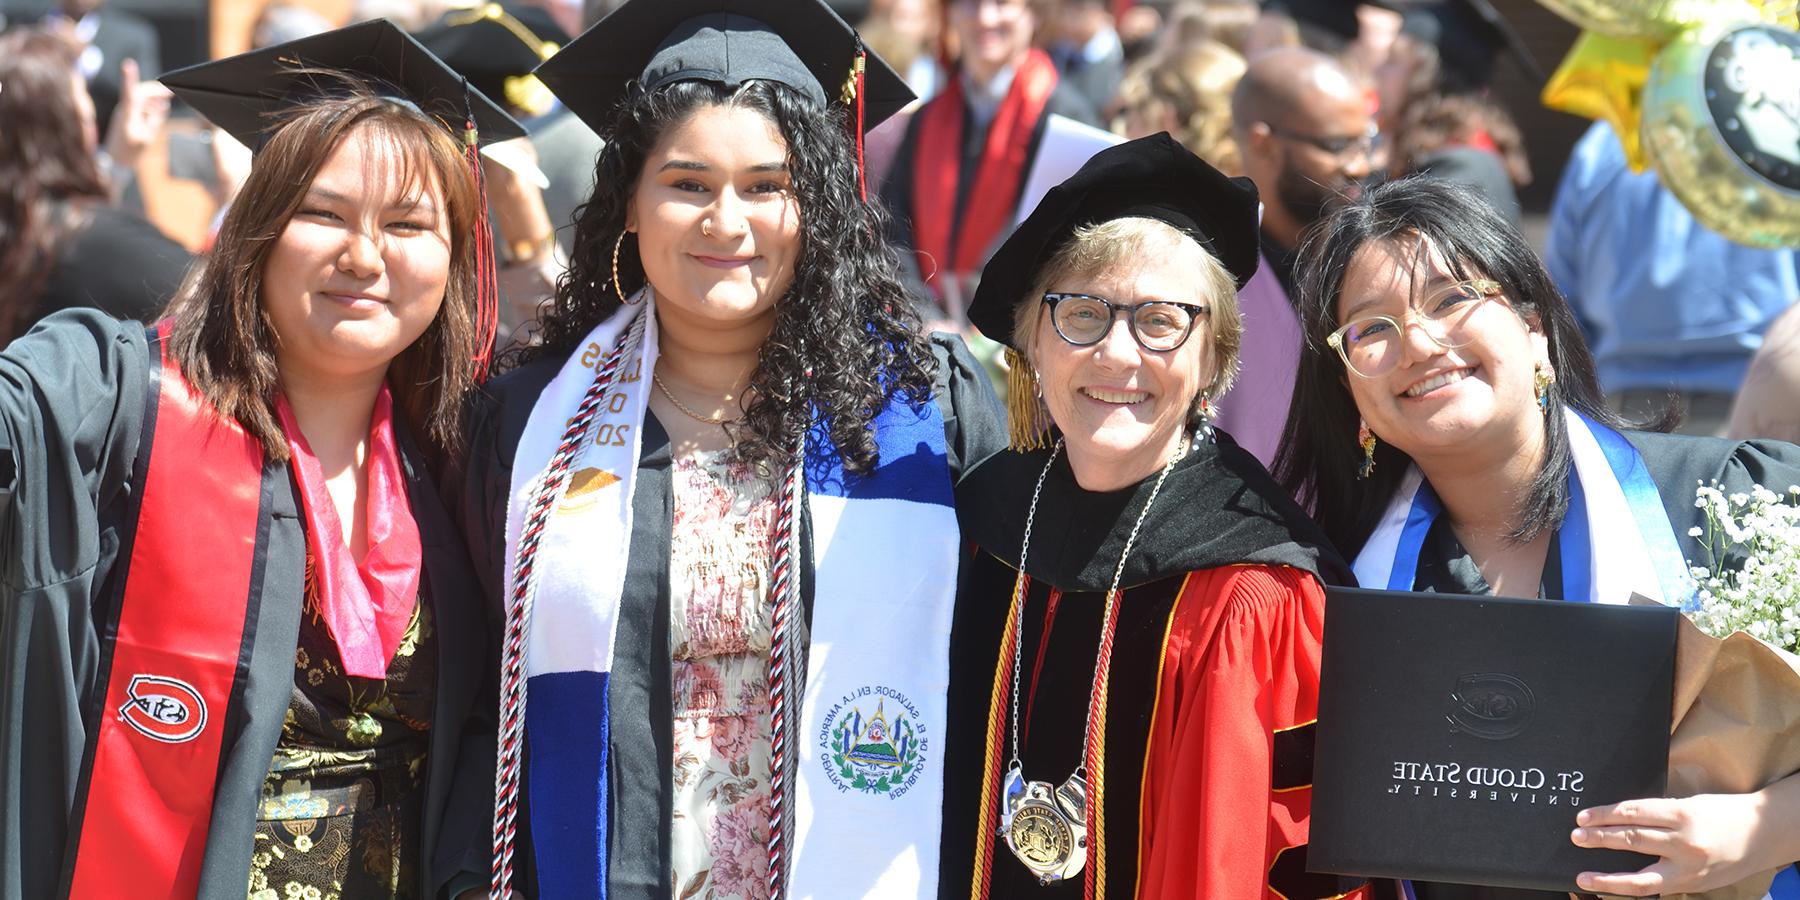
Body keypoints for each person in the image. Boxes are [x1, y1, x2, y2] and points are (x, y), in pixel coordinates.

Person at [459, 1, 1003, 896]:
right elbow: (484, 699)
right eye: (686, 183)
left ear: (815, 208)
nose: (726, 221)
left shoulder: (923, 413)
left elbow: (988, 665)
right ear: (629, 204)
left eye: (765, 185)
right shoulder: (531, 425)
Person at [0, 21, 520, 900]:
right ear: (259, 228)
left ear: (456, 255)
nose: (365, 256)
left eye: (407, 223)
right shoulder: (121, 397)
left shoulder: (470, 456)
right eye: (323, 213)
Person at [1272, 176, 1800, 900]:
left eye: (1452, 298)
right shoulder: (1327, 591)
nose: (1420, 342)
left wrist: (1767, 826)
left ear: (1534, 328)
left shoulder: (1734, 507)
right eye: (1372, 329)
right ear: (1352, 393)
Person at [939, 133, 1373, 899]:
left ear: (1215, 359)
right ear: (1033, 345)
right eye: (1081, 313)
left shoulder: (1258, 590)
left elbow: (1260, 863)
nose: (1117, 354)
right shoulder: (975, 524)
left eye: (1162, 321)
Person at [1547, 121, 1799, 437]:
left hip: (1626, 417)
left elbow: (1560, 305)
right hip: (1761, 408)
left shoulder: (1603, 143)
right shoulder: (1779, 126)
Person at [879, 0, 1104, 319]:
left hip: (1016, 334)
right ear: (951, 15)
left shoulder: (1068, 120)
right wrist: (925, 316)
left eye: (1002, 3)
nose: (985, 18)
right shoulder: (927, 118)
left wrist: (980, 328)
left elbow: (1063, 240)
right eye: (969, 4)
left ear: (1033, 13)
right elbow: (894, 223)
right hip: (928, 330)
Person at [1213, 45, 1376, 466]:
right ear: (1263, 143)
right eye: (1338, 144)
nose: (1361, 165)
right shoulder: (1208, 268)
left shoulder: (1373, 253)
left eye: (1366, 141)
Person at [0, 26, 189, 345]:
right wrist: (236, 197)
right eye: (86, 113)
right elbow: (223, 302)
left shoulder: (19, 232)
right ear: (74, 127)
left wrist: (116, 164)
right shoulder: (108, 245)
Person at [1375, 0, 1537, 227]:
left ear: (1425, 80)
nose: (1378, 71)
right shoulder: (1445, 159)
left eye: (1392, 61)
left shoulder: (1462, 171)